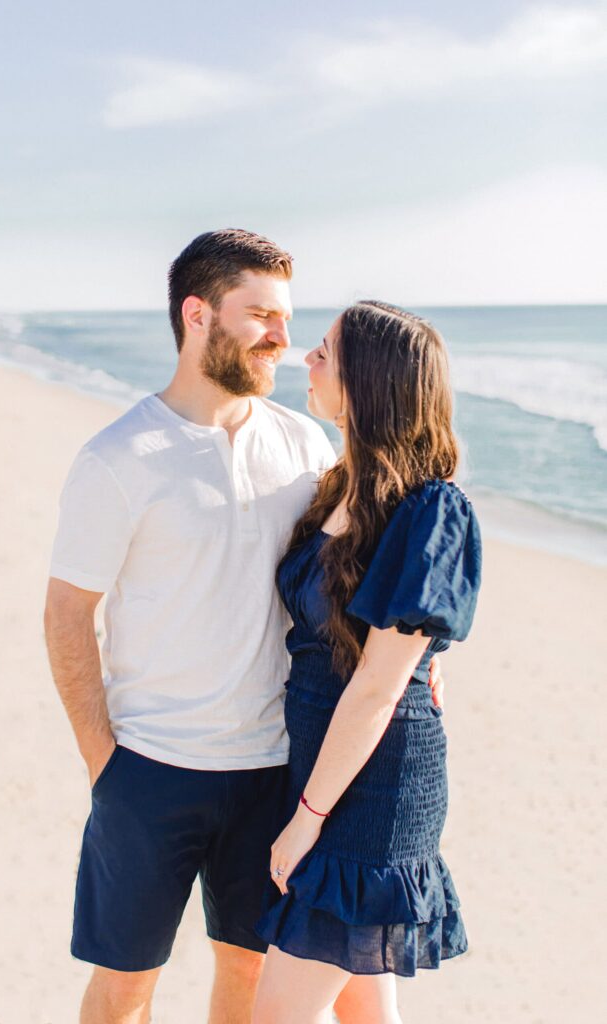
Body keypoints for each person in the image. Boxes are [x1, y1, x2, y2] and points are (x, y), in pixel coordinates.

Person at [44, 231, 444, 1024]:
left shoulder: (302, 445)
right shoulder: (118, 458)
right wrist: (105, 764)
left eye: (287, 319)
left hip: (274, 770)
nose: (282, 340)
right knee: (125, 985)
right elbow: (66, 616)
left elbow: (369, 564)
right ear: (197, 315)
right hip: (151, 767)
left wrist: (424, 658)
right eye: (260, 315)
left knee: (248, 974)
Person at [253, 301, 482, 1024]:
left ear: (371, 381)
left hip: (371, 790)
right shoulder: (336, 484)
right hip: (322, 765)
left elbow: (379, 684)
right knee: (362, 1010)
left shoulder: (431, 508)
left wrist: (308, 819)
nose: (306, 361)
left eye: (325, 352)